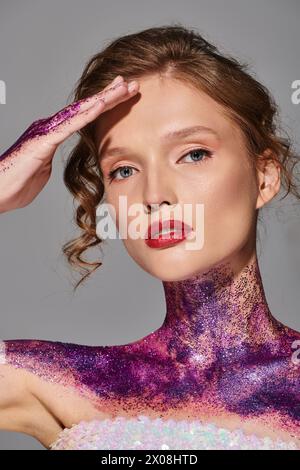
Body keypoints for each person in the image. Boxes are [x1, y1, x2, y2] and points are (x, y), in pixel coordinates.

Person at [0, 25, 299, 450]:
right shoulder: (66, 381)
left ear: (264, 176)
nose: (154, 196)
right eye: (123, 170)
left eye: (193, 154)